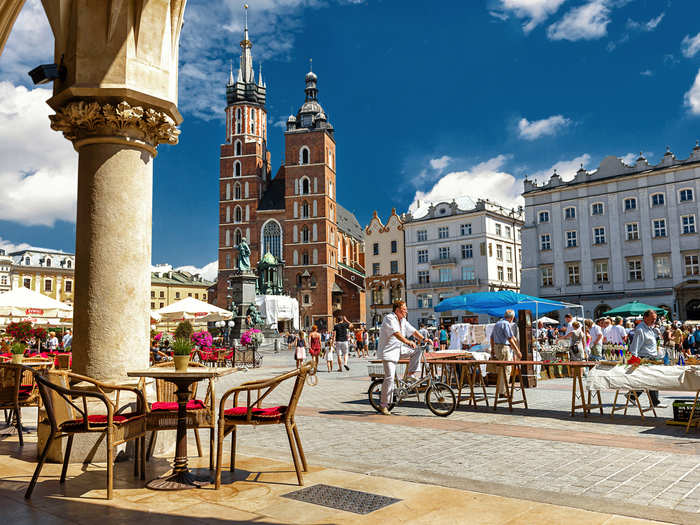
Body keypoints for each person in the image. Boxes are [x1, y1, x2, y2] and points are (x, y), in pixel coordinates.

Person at [378, 300, 427, 415]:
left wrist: (423, 339)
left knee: (417, 350)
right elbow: (396, 333)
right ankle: (384, 405)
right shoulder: (389, 318)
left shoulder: (403, 320)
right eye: (404, 309)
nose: (406, 311)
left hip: (399, 349)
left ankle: (410, 374)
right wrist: (408, 341)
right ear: (397, 310)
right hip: (388, 352)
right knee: (389, 377)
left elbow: (413, 331)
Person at [629, 310, 666, 408]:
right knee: (652, 379)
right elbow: (634, 346)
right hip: (645, 358)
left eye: (655, 319)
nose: (654, 321)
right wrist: (634, 360)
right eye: (652, 319)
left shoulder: (650, 328)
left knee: (648, 380)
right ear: (645, 318)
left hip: (652, 358)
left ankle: (632, 396)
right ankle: (654, 402)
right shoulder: (640, 329)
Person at [488, 310, 521, 396]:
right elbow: (509, 338)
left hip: (497, 347)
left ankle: (501, 390)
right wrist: (517, 351)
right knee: (506, 370)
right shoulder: (506, 324)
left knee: (501, 370)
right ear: (512, 317)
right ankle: (503, 392)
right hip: (504, 348)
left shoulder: (497, 323)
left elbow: (491, 338)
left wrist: (492, 350)